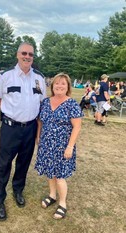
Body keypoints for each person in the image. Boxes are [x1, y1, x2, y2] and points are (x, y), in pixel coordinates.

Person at [0, 42, 46, 221]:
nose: (27, 57)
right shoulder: (7, 76)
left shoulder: (39, 78)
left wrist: (38, 130)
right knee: (4, 164)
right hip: (10, 128)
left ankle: (18, 190)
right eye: (24, 53)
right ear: (17, 54)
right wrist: (10, 112)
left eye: (30, 54)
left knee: (24, 162)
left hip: (30, 128)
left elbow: (42, 103)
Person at [35, 73, 83, 220]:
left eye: (63, 84)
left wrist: (70, 147)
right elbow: (40, 122)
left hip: (63, 146)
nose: (59, 86)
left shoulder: (72, 104)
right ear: (52, 85)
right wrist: (38, 136)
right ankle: (52, 195)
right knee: (50, 173)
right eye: (57, 83)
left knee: (60, 176)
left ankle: (62, 203)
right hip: (46, 144)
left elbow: (77, 127)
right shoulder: (45, 102)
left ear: (68, 86)